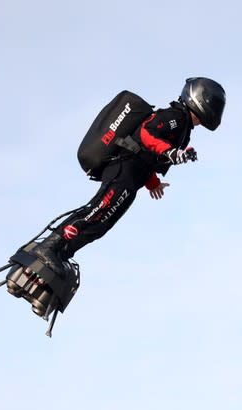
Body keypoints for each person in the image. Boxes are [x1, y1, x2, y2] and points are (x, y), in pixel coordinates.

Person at [31, 77, 226, 277]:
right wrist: (171, 152)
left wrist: (153, 183)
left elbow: (149, 157)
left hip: (134, 178)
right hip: (123, 169)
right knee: (98, 210)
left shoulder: (184, 130)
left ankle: (62, 254)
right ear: (200, 99)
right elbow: (146, 134)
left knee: (101, 225)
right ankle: (48, 247)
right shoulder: (176, 116)